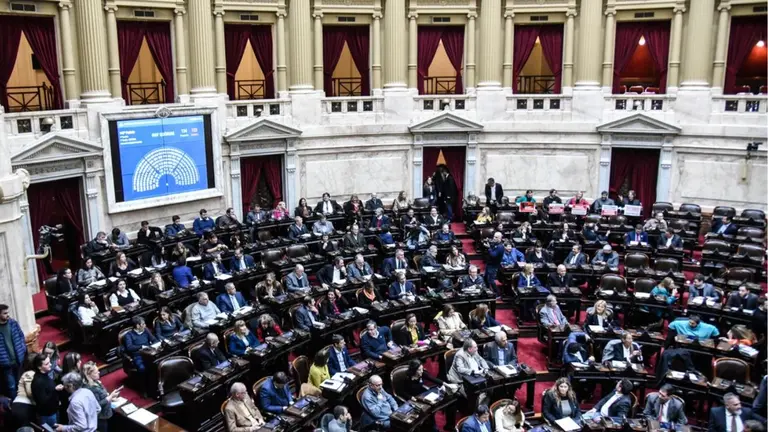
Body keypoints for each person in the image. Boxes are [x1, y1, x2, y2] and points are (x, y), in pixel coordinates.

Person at [83, 361, 117, 432]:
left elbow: (103, 394)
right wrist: (110, 397)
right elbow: (97, 405)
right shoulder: (91, 388)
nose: (99, 372)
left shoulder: (96, 381)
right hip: (100, 417)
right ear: (89, 375)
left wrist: (111, 398)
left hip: (106, 413)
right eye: (96, 372)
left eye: (98, 370)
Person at [32, 353, 62, 427]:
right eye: (47, 364)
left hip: (53, 411)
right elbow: (43, 401)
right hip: (47, 415)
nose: (50, 365)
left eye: (49, 362)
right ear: (39, 367)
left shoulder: (45, 375)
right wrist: (55, 390)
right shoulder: (38, 382)